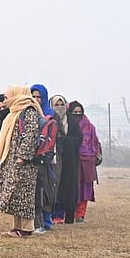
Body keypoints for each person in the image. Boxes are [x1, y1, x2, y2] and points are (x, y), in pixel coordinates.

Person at [0, 86, 43, 237]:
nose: (5, 100)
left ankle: (27, 228)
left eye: (7, 96)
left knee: (25, 195)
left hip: (24, 162)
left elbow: (30, 135)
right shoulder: (16, 111)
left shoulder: (28, 111)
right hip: (14, 159)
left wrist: (22, 157)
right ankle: (17, 227)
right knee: (16, 195)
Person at [31, 84, 58, 233]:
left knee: (45, 190)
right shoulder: (29, 114)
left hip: (46, 159)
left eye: (39, 97)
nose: (36, 100)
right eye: (33, 97)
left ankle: (46, 221)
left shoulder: (50, 115)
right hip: (31, 159)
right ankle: (37, 221)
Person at [69, 101, 102, 222]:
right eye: (74, 113)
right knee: (72, 188)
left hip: (87, 163)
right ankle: (70, 213)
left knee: (85, 189)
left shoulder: (90, 126)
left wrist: (94, 156)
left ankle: (80, 215)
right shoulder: (67, 126)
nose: (77, 115)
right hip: (72, 162)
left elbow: (95, 143)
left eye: (79, 112)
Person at [50, 95, 80, 224]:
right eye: (56, 105)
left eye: (62, 104)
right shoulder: (49, 119)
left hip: (69, 160)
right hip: (53, 159)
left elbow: (78, 138)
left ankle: (65, 215)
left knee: (67, 186)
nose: (59, 108)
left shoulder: (72, 121)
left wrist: (64, 140)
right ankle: (53, 214)